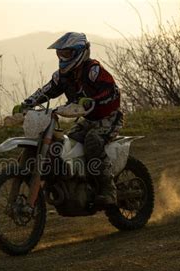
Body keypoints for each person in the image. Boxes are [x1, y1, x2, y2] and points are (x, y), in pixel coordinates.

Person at [12, 32, 123, 205]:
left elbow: (112, 91)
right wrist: (27, 103)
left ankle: (108, 190)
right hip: (87, 121)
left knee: (93, 141)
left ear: (80, 52)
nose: (63, 58)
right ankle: (77, 182)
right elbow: (46, 91)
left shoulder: (93, 70)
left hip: (108, 118)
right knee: (66, 146)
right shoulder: (62, 76)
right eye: (60, 54)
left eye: (67, 54)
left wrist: (93, 101)